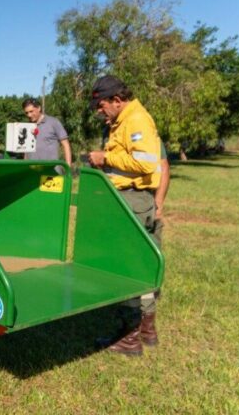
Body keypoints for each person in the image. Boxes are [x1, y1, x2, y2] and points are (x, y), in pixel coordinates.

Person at [87, 75, 162, 355]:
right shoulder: (124, 120)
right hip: (132, 199)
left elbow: (146, 162)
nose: (99, 110)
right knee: (141, 264)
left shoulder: (136, 120)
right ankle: (146, 330)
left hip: (132, 199)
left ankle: (129, 338)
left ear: (117, 100)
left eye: (102, 105)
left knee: (126, 267)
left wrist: (104, 159)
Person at [22, 98, 72, 165]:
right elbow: (26, 151)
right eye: (26, 113)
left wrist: (68, 167)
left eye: (31, 111)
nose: (29, 115)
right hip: (33, 171)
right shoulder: (27, 127)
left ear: (39, 108)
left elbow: (66, 145)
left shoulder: (53, 122)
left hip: (51, 171)